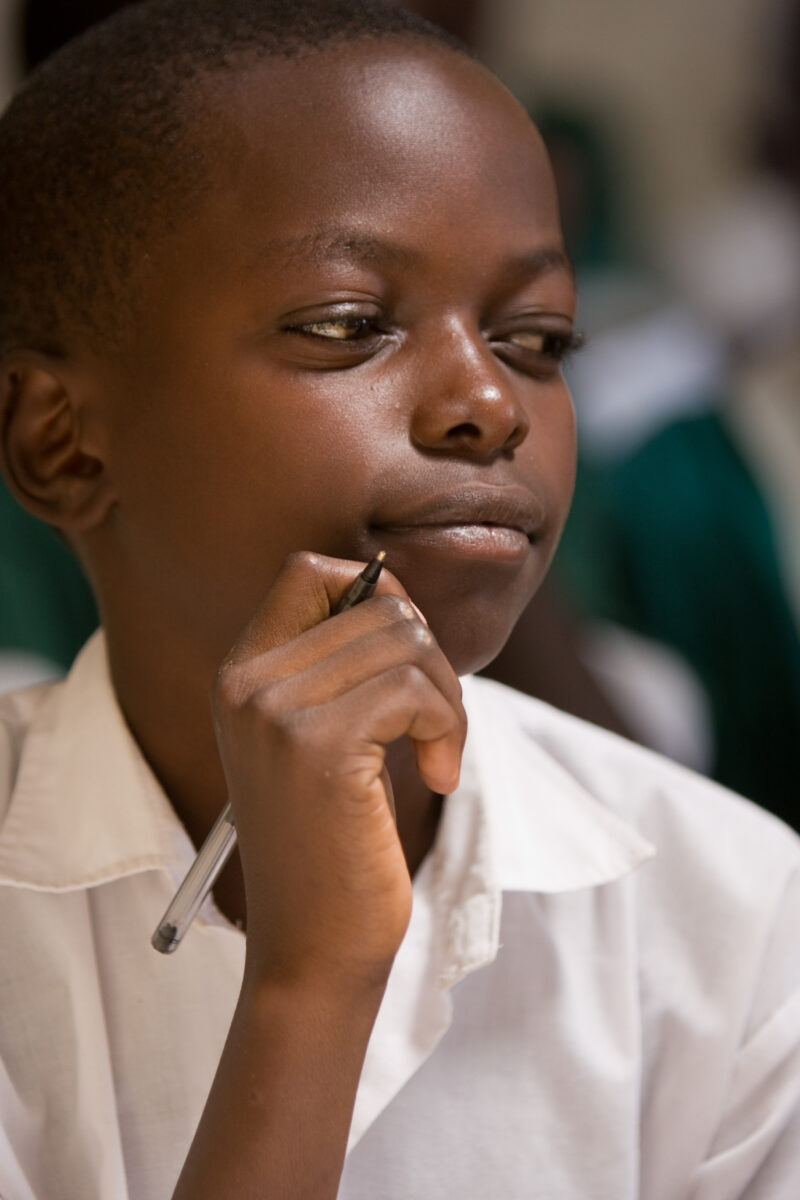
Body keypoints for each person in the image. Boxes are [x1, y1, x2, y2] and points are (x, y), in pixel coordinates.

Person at [0, 2, 798, 1197]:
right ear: (64, 447)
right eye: (347, 326)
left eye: (537, 338)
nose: (488, 401)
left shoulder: (722, 912)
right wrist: (308, 988)